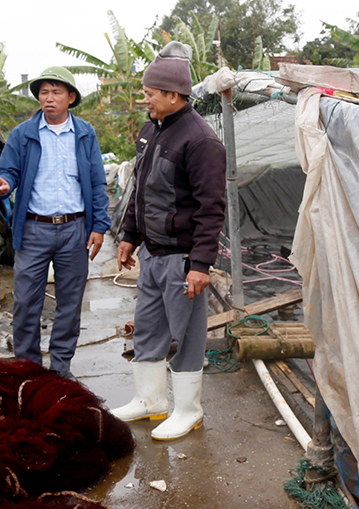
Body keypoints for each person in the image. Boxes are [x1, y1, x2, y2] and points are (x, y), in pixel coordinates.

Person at [111, 41, 226, 440]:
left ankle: (188, 409)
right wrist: (128, 236)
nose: (145, 100)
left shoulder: (201, 141)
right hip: (153, 253)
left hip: (182, 258)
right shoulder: (151, 131)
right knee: (148, 328)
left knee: (189, 335)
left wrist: (200, 265)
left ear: (174, 95)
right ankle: (150, 400)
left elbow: (212, 208)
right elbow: (140, 192)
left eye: (150, 94)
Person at [0, 67, 111, 378]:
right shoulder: (23, 134)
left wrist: (99, 226)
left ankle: (61, 368)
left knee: (69, 302)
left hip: (74, 229)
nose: (48, 98)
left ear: (71, 97)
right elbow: (9, 172)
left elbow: (96, 181)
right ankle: (28, 370)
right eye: (43, 92)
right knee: (26, 302)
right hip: (35, 228)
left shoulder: (84, 133)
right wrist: (5, 186)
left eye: (56, 92)